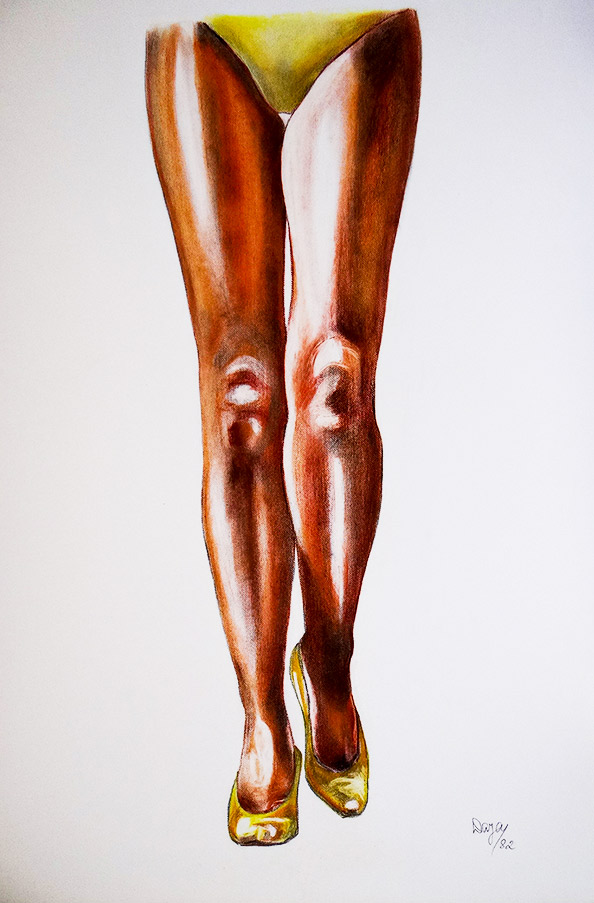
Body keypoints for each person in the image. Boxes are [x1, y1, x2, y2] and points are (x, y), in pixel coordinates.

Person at [145, 9, 421, 845]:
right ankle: (263, 713)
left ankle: (329, 662)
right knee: (241, 392)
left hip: (352, 23)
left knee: (337, 377)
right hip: (202, 27)